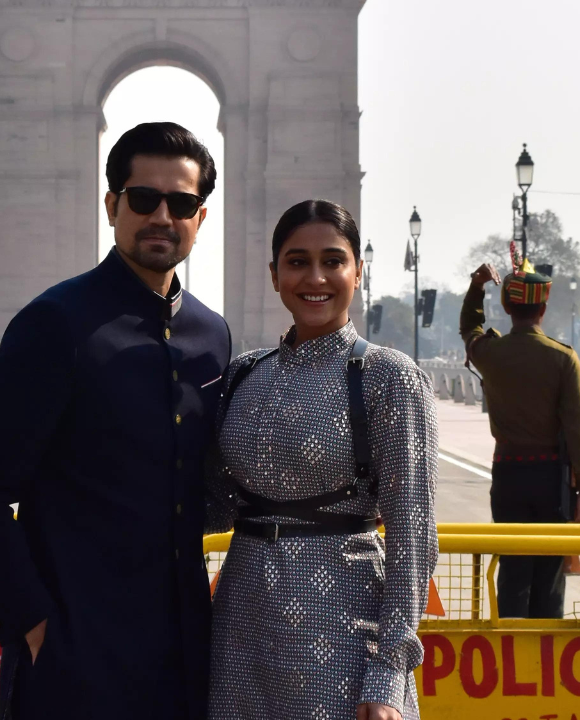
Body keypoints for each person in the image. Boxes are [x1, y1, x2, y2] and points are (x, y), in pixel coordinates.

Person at [0, 122, 230, 720]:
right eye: (142, 198)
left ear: (200, 219)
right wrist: (28, 621)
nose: (161, 215)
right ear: (112, 205)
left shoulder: (213, 335)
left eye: (180, 203)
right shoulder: (55, 323)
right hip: (75, 649)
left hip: (183, 649)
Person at [206, 200, 438, 720]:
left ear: (358, 270)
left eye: (333, 261)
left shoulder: (388, 378)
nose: (316, 277)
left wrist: (388, 676)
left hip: (340, 629)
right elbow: (214, 506)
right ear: (273, 275)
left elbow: (413, 533)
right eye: (296, 261)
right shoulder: (243, 376)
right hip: (238, 626)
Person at [459, 245, 580, 619]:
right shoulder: (562, 358)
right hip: (552, 479)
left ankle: (510, 651)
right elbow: (577, 428)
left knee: (514, 568)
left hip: (508, 474)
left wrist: (476, 286)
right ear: (543, 309)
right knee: (549, 573)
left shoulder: (491, 353)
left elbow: (469, 328)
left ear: (508, 308)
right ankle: (546, 657)